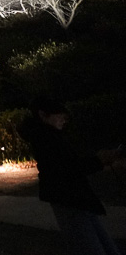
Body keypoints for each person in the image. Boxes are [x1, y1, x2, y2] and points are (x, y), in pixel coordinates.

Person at [17, 96, 124, 255]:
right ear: (43, 114)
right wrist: (99, 160)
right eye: (58, 114)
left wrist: (98, 160)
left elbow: (68, 165)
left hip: (74, 199)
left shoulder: (47, 136)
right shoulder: (46, 139)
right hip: (70, 200)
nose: (64, 118)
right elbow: (67, 168)